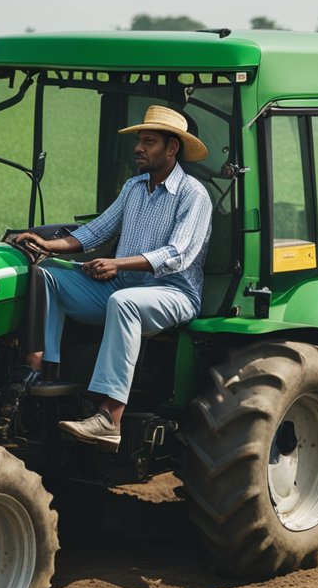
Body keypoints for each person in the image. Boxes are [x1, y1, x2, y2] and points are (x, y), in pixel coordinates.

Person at [12, 105, 212, 451]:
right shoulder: (134, 188)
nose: (138, 148)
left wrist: (118, 265)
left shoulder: (193, 195)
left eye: (148, 142)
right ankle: (43, 372)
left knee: (125, 303)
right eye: (139, 141)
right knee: (47, 275)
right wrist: (48, 244)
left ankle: (110, 418)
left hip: (172, 292)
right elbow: (94, 232)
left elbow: (177, 254)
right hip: (125, 285)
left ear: (172, 148)